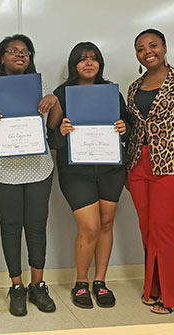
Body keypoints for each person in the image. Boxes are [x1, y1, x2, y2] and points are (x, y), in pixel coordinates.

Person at [0, 34, 62, 316]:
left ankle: (38, 285)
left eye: (26, 52)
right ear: (1, 58)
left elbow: (54, 123)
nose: (21, 55)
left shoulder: (41, 85)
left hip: (38, 166)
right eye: (13, 51)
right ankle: (17, 287)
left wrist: (54, 100)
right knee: (10, 226)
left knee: (36, 225)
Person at [126, 29, 174, 314]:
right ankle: (153, 289)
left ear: (164, 47)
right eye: (140, 48)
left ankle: (171, 297)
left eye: (153, 45)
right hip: (138, 166)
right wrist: (127, 167)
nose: (148, 51)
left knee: (164, 230)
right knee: (147, 231)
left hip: (170, 167)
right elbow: (134, 129)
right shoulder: (134, 87)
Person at [49, 42, 130, 309]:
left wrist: (123, 127)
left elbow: (127, 125)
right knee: (90, 226)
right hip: (76, 172)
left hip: (110, 168)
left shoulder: (111, 92)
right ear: (74, 65)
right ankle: (81, 282)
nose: (89, 63)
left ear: (100, 63)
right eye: (83, 59)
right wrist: (61, 131)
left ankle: (100, 281)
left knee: (106, 224)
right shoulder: (63, 93)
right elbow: (51, 135)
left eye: (94, 59)